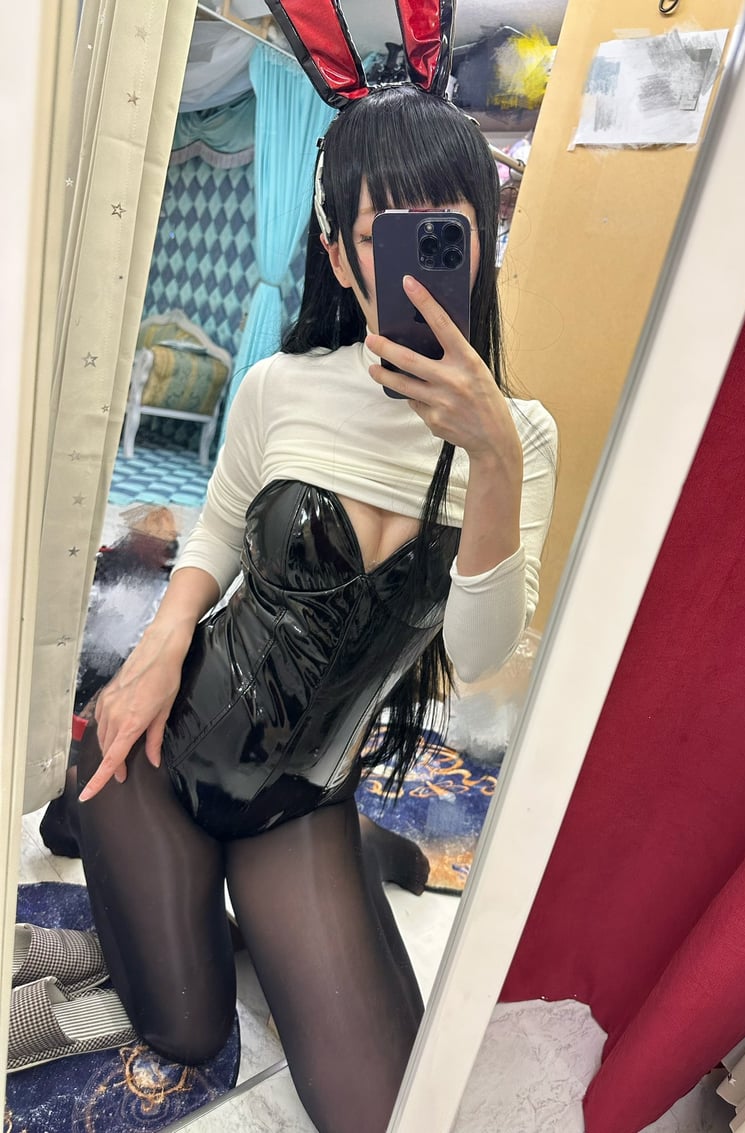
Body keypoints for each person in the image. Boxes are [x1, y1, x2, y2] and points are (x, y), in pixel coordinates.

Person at [74, 84, 557, 1133]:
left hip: (300, 796)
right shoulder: (281, 386)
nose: (414, 271)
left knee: (379, 1111)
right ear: (340, 256)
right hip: (165, 746)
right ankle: (96, 798)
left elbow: (476, 655)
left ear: (484, 241)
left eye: (444, 235)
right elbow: (214, 535)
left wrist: (491, 458)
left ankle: (339, 851)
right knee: (188, 1030)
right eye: (382, 239)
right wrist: (158, 646)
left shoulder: (521, 438)